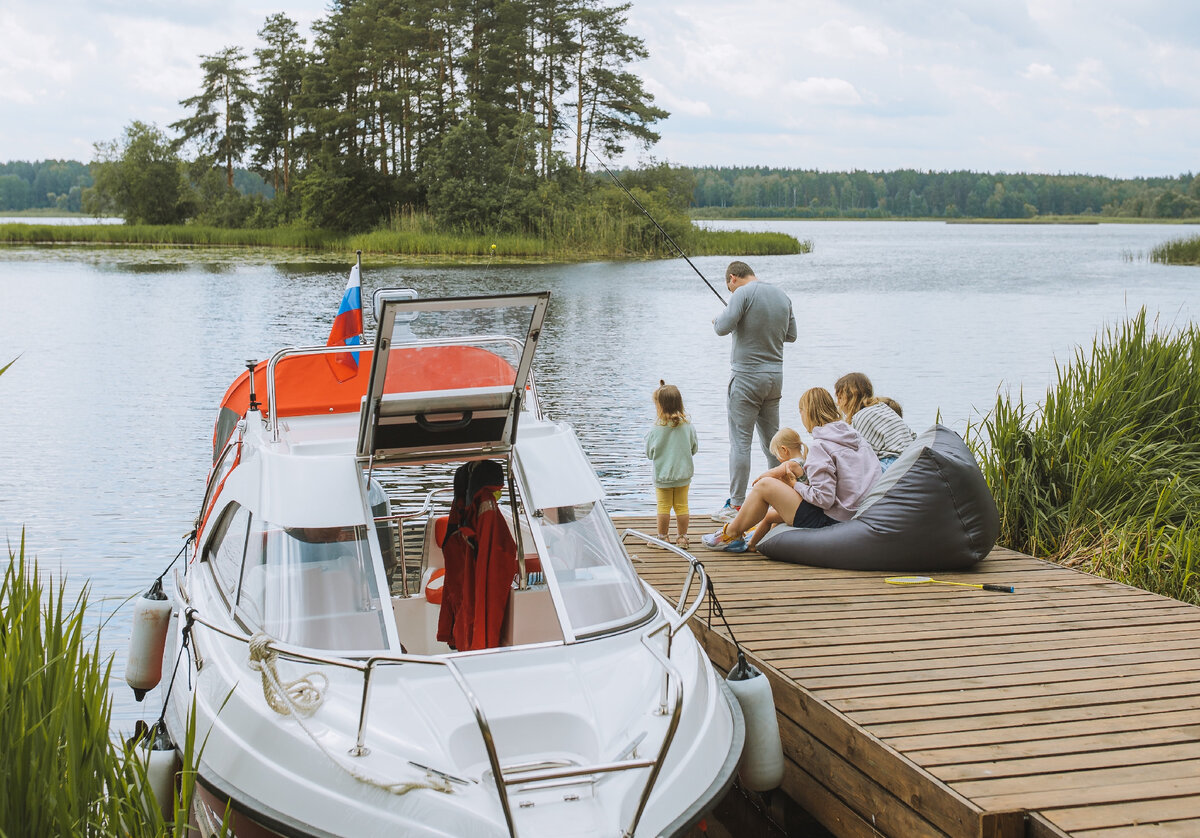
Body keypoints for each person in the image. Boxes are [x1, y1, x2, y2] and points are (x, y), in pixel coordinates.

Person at [703, 387, 881, 552]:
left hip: (832, 521)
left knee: (765, 485)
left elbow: (824, 499)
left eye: (801, 411)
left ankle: (731, 534)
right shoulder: (856, 438)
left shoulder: (821, 446)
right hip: (859, 515)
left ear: (808, 413)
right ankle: (738, 532)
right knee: (773, 497)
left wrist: (795, 484)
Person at [710, 261, 797, 523]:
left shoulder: (742, 294)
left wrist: (719, 318)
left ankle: (736, 506)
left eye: (729, 287)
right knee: (773, 443)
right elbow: (791, 335)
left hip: (747, 377)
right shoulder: (782, 296)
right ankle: (781, 498)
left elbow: (721, 328)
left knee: (740, 443)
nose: (730, 290)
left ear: (733, 278)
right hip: (775, 378)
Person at [645, 381, 699, 550]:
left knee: (663, 506)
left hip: (663, 476)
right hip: (683, 475)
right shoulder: (688, 426)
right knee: (682, 506)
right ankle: (682, 538)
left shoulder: (655, 429)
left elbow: (649, 453)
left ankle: (662, 538)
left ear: (659, 406)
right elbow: (694, 448)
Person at [834, 372, 916, 471]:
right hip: (911, 458)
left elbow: (857, 454)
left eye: (840, 398)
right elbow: (912, 435)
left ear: (851, 397)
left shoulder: (861, 416)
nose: (838, 403)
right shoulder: (882, 407)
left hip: (894, 463)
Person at [744, 428, 807, 551]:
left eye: (777, 454)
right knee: (774, 515)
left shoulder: (791, 464)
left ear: (784, 450)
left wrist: (759, 479)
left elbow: (772, 473)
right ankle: (768, 540)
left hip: (799, 509)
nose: (778, 459)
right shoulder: (804, 461)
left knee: (768, 517)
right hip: (802, 505)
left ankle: (751, 544)